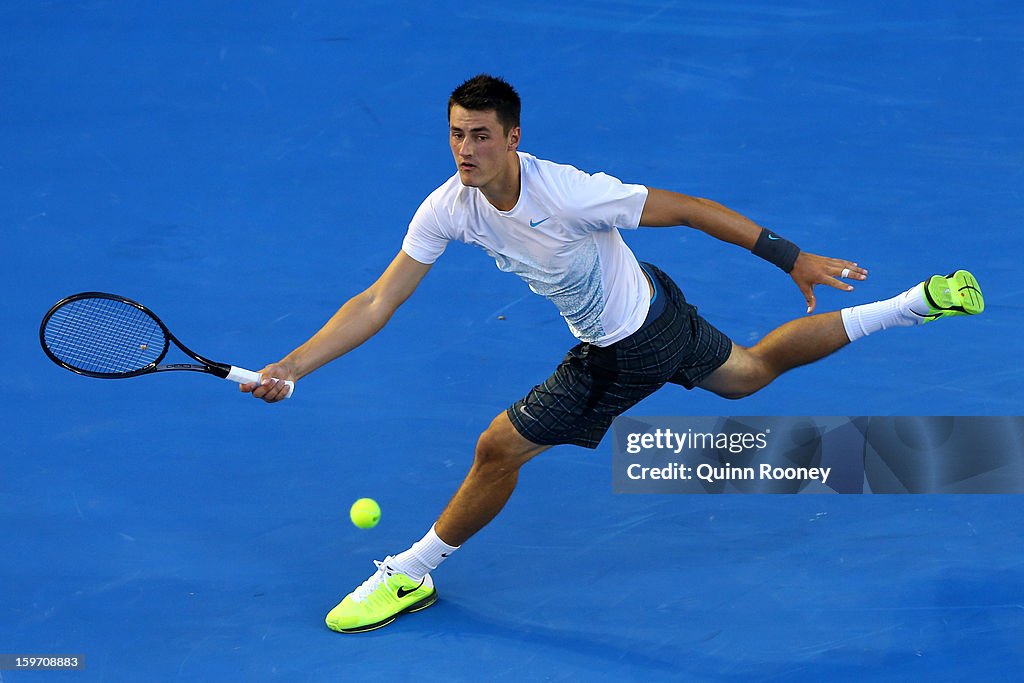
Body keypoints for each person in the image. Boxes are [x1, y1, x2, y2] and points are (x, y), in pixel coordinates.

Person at [241, 74, 985, 633]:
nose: (465, 149)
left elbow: (688, 209)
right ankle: (915, 303)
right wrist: (293, 365)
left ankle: (411, 572)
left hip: (624, 345)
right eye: (456, 135)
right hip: (653, 303)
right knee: (749, 372)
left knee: (496, 448)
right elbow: (379, 298)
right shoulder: (449, 206)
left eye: (481, 136)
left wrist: (789, 257)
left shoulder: (568, 196)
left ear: (514, 137)